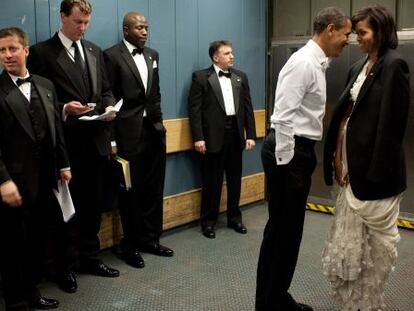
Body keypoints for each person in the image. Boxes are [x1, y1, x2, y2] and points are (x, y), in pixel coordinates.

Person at [256, 7, 352, 311]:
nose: (347, 41)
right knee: (282, 231)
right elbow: (282, 118)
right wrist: (286, 168)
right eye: (346, 34)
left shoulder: (316, 62)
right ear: (330, 30)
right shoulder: (303, 63)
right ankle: (269, 303)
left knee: (289, 232)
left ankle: (276, 297)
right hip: (289, 152)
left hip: (298, 152)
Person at [27, 0, 119, 294]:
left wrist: (107, 106)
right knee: (65, 211)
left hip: (96, 141)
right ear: (63, 16)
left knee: (93, 206)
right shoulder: (42, 52)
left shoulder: (93, 50)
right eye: (78, 22)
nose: (82, 28)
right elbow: (35, 100)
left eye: (87, 23)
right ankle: (64, 266)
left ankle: (90, 258)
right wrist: (64, 108)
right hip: (65, 147)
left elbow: (105, 88)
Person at [322, 5, 409, 310]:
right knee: (351, 250)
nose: (355, 38)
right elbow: (346, 115)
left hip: (375, 177)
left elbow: (391, 127)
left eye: (362, 33)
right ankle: (352, 303)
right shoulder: (357, 65)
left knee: (374, 252)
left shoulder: (394, 65)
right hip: (350, 170)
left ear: (381, 32)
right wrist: (337, 157)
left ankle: (367, 303)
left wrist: (373, 174)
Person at [0, 27, 71, 311]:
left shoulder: (46, 85)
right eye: (2, 50)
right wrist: (3, 180)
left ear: (26, 50)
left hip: (46, 178)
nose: (7, 55)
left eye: (12, 48)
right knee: (13, 244)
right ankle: (15, 300)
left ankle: (32, 291)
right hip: (12, 183)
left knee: (38, 240)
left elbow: (57, 130)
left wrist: (64, 163)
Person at [103, 11, 173, 268]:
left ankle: (150, 239)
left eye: (146, 27)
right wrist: (111, 141)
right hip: (126, 134)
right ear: (126, 30)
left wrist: (161, 124)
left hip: (153, 132)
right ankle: (129, 245)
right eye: (139, 27)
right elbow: (107, 96)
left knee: (154, 188)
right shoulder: (111, 55)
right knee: (130, 191)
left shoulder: (153, 55)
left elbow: (155, 94)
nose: (144, 31)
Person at [188, 40, 256, 239]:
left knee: (235, 180)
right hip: (212, 138)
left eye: (231, 52)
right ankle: (208, 222)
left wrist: (250, 134)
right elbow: (195, 110)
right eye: (227, 53)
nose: (232, 56)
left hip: (235, 136)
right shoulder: (201, 77)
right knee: (212, 182)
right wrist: (198, 138)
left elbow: (247, 108)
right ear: (215, 57)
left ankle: (235, 218)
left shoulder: (240, 77)